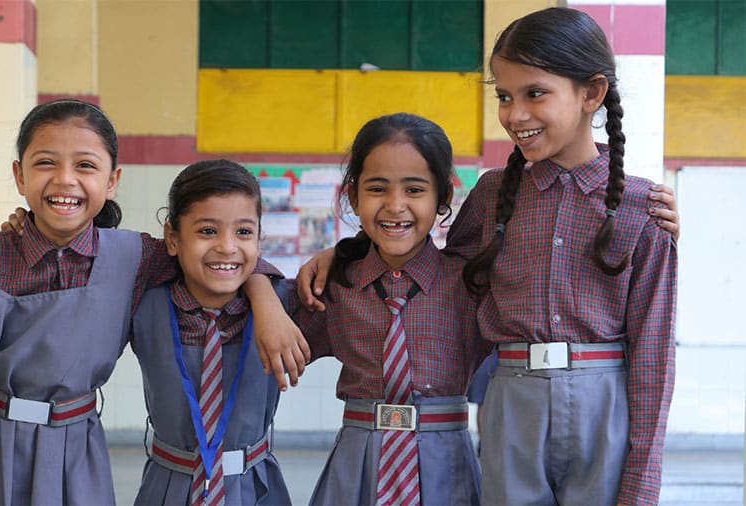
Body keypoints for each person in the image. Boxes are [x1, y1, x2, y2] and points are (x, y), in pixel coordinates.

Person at [0, 100, 296, 505]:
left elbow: (220, 258)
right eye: (45, 164)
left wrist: (264, 296)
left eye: (85, 166)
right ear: (19, 175)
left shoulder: (135, 258)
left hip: (78, 458)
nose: (65, 180)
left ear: (112, 180)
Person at [452, 9, 678, 505]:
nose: (514, 114)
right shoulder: (491, 195)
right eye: (504, 96)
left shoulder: (644, 209)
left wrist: (641, 483)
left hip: (607, 407)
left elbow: (654, 357)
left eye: (535, 93)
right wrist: (345, 256)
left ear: (590, 93)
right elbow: (443, 286)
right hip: (511, 398)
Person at [288, 113, 491, 505]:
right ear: (353, 196)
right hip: (356, 469)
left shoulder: (473, 286)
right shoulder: (332, 287)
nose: (395, 206)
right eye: (377, 189)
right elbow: (237, 292)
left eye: (415, 190)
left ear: (443, 197)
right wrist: (262, 290)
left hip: (446, 469)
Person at [131, 159, 295, 505]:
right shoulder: (142, 305)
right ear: (172, 237)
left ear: (260, 237)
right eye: (208, 231)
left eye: (244, 232)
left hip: (255, 489)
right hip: (168, 488)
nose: (227, 246)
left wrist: (263, 291)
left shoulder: (285, 306)